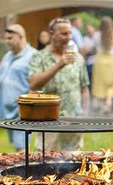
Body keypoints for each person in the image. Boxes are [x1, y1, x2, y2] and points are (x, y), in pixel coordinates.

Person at [28, 18, 89, 151]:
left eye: (70, 33)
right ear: (52, 34)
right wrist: (59, 65)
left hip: (74, 120)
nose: (68, 37)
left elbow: (84, 88)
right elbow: (33, 84)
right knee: (46, 163)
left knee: (74, 164)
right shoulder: (39, 56)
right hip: (48, 121)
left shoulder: (78, 58)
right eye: (63, 34)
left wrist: (85, 115)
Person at [0, 24, 37, 151]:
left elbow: (36, 84)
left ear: (21, 37)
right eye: (6, 38)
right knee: (17, 147)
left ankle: (26, 170)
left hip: (21, 109)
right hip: (7, 108)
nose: (6, 42)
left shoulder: (33, 56)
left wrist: (28, 107)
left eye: (10, 38)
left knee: (21, 148)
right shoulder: (8, 56)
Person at [92, 16, 113, 115]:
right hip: (112, 60)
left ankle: (100, 105)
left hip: (100, 60)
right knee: (110, 84)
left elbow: (94, 47)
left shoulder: (96, 35)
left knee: (100, 83)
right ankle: (107, 104)